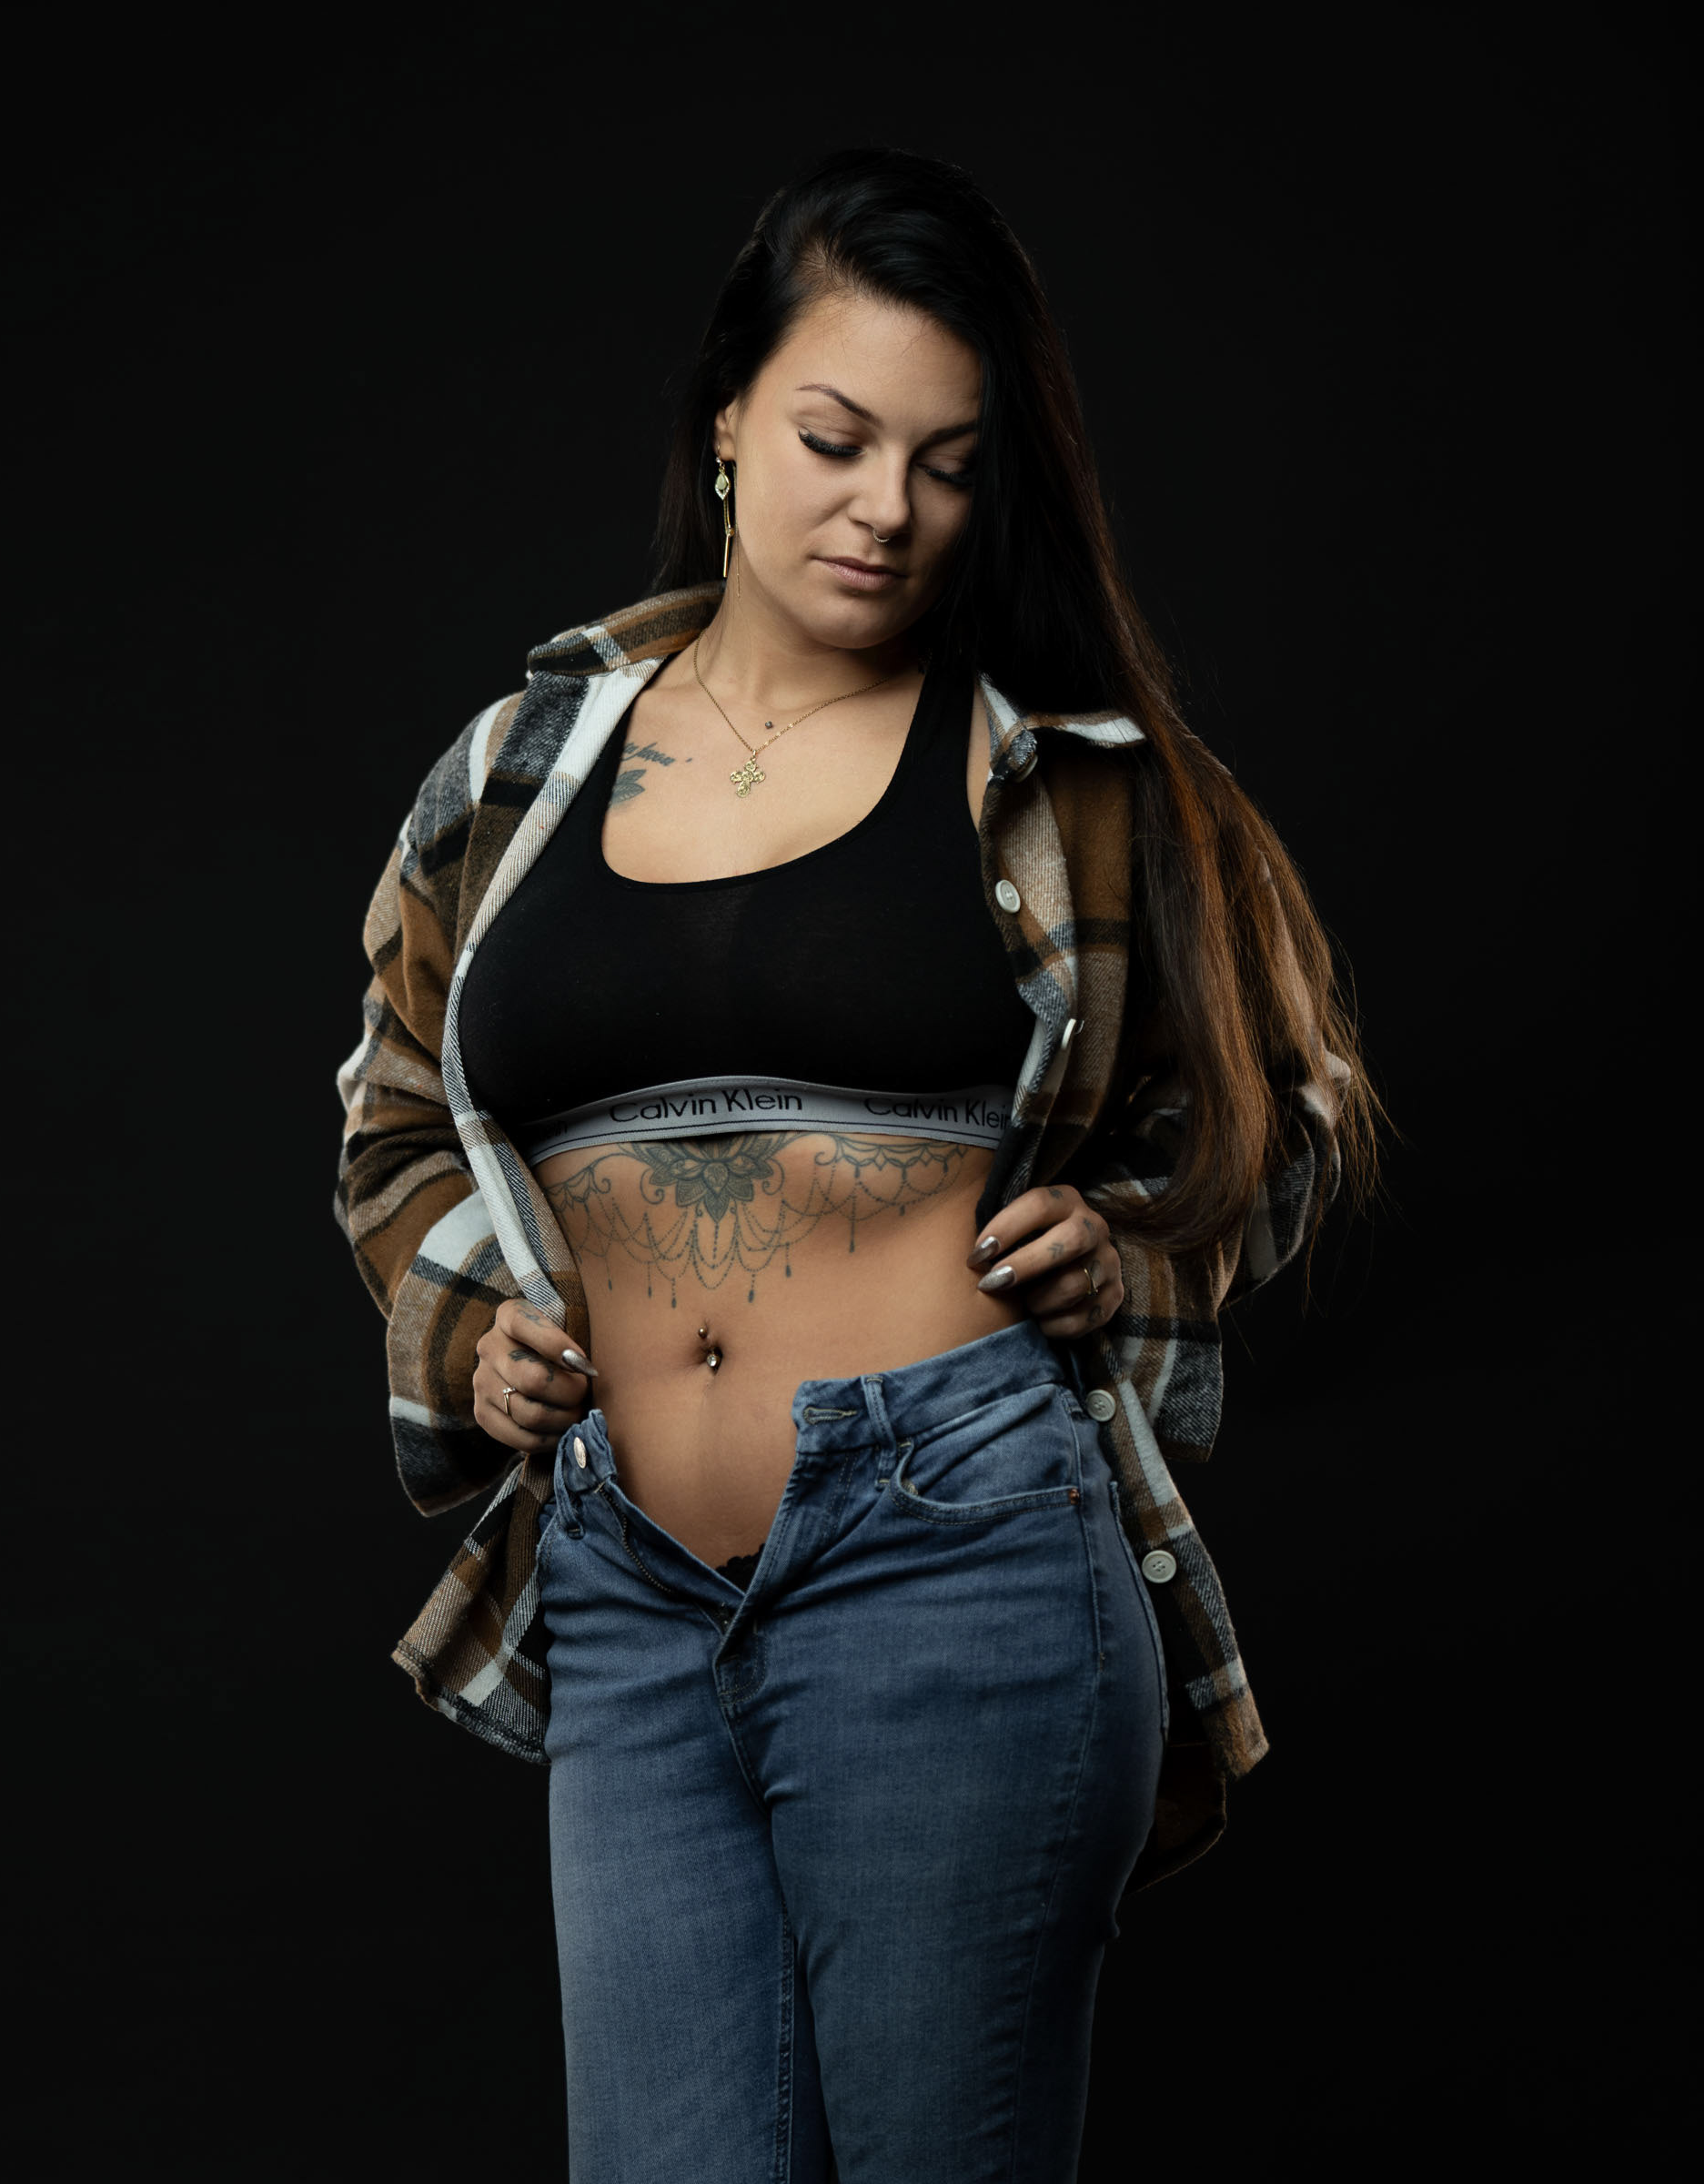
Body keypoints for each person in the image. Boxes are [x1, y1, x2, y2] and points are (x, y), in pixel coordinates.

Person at [335, 146, 1376, 2184]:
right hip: (627, 1578)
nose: (886, 506)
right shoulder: (516, 776)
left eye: (948, 462)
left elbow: (1292, 1107)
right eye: (835, 437)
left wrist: (1136, 1244)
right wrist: (469, 1334)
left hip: (961, 1554)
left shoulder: (1067, 777)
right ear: (728, 421)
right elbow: (387, 1112)